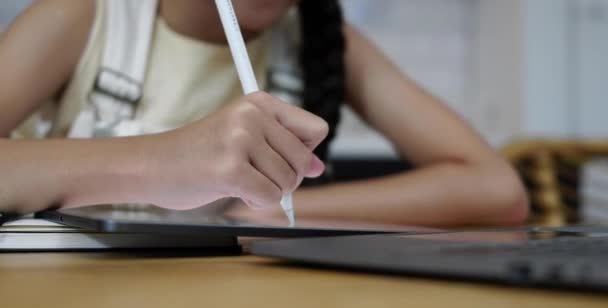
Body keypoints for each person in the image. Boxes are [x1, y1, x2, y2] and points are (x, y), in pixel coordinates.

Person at [0, 0, 529, 227]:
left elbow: (496, 190)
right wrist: (166, 164)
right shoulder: (85, 16)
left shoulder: (321, 40)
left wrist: (264, 214)